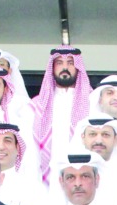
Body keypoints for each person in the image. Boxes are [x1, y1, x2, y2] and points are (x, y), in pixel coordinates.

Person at [26, 47, 91, 183]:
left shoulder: (92, 101)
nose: (65, 67)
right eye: (59, 63)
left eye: (70, 63)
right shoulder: (36, 105)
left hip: (82, 178)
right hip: (45, 179)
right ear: (52, 68)